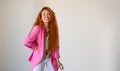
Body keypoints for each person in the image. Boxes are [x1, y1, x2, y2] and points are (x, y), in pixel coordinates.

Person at [23, 6, 64, 71]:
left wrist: (58, 61)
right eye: (44, 14)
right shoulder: (37, 28)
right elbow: (26, 41)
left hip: (50, 58)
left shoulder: (53, 30)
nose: (46, 16)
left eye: (49, 14)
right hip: (39, 58)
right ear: (41, 17)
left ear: (51, 16)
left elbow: (56, 46)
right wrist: (35, 46)